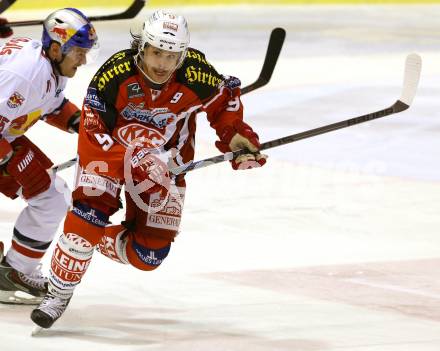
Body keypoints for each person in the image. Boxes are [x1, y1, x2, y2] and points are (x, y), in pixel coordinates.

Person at [30, 10, 267, 328]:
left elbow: (224, 104)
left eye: (171, 56)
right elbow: (92, 129)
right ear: (142, 47)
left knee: (149, 254)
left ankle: (98, 239)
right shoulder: (115, 74)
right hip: (110, 151)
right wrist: (130, 162)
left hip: (167, 162)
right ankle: (58, 293)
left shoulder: (196, 73)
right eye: (156, 52)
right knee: (88, 214)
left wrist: (236, 137)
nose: (162, 64)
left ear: (182, 54)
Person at [0, 8, 98, 304]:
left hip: (4, 137)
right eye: (78, 53)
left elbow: (52, 105)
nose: (82, 60)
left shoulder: (51, 68)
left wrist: (88, 128)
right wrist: (9, 160)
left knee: (52, 196)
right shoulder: (22, 75)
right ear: (56, 48)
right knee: (48, 193)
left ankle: (13, 273)